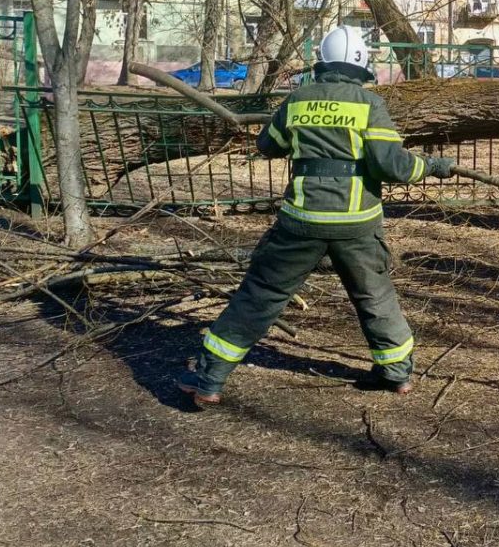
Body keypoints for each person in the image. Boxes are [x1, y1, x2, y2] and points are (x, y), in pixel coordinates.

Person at [178, 25, 456, 407]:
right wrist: (432, 166)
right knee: (374, 295)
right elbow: (392, 165)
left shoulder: (298, 99)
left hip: (302, 222)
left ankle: (209, 378)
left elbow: (267, 146)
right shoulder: (368, 104)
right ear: (362, 65)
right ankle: (396, 373)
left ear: (322, 63)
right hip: (357, 223)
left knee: (261, 296)